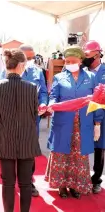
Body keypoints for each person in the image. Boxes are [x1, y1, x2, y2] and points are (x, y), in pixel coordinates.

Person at [45, 46, 101, 199]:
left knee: (78, 156)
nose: (69, 63)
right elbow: (54, 96)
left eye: (73, 61)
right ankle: (61, 186)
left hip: (83, 123)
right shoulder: (59, 77)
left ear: (81, 61)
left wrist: (98, 123)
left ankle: (75, 185)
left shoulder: (90, 77)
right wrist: (51, 105)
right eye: (67, 61)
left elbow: (96, 101)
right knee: (62, 154)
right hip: (63, 121)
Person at [0, 48, 41, 212]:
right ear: (21, 65)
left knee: (8, 183)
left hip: (5, 140)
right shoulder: (32, 87)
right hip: (27, 139)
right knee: (26, 183)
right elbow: (35, 115)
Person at [19, 44, 48, 197]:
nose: (30, 60)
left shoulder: (38, 71)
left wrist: (43, 102)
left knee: (30, 151)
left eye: (32, 57)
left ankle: (28, 181)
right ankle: (13, 179)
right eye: (27, 58)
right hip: (14, 120)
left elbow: (43, 91)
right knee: (14, 151)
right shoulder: (8, 71)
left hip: (32, 119)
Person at [82, 40, 105, 194]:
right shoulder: (82, 71)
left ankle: (96, 178)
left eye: (88, 55)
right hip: (85, 114)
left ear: (97, 55)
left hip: (102, 116)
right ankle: (79, 177)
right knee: (81, 145)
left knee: (99, 148)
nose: (85, 58)